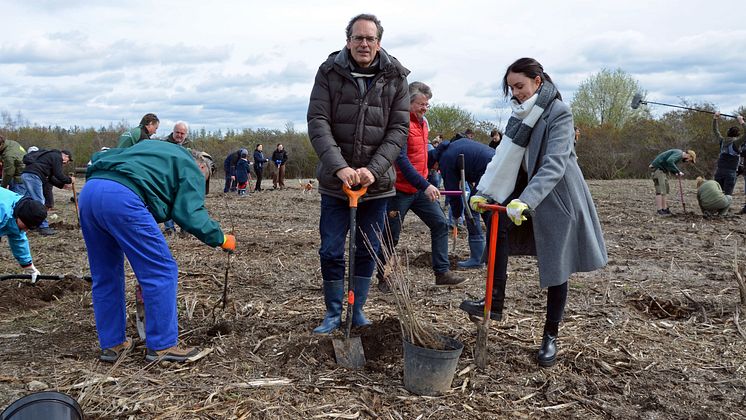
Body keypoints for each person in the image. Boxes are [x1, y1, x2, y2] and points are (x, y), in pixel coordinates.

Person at [466, 57, 607, 368]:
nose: (516, 93)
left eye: (520, 86)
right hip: (525, 190)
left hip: (558, 196)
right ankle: (494, 300)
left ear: (538, 82)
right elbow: (505, 157)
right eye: (511, 88)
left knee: (558, 264)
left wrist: (526, 200)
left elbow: (555, 163)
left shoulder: (559, 112)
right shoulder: (519, 115)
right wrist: (485, 193)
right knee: (497, 223)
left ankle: (550, 336)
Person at [79, 140, 236, 363]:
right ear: (203, 167)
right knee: (161, 271)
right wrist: (220, 238)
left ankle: (113, 345)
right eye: (204, 180)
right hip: (123, 197)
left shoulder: (154, 150)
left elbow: (101, 156)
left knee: (105, 275)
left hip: (91, 193)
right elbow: (190, 215)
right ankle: (162, 346)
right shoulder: (191, 165)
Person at [307, 13, 409, 334]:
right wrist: (340, 168)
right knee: (331, 248)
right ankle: (334, 311)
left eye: (370, 38)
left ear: (379, 42)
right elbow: (318, 122)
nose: (364, 44)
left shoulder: (396, 77)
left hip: (376, 186)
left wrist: (372, 170)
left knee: (367, 248)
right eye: (357, 38)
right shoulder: (329, 72)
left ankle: (358, 309)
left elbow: (398, 129)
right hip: (337, 185)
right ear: (348, 40)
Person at [377, 81, 465, 291]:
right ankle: (383, 277)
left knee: (440, 224)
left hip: (419, 189)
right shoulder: (400, 124)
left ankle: (441, 273)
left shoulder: (423, 123)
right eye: (421, 104)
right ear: (408, 102)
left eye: (427, 104)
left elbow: (421, 157)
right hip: (399, 190)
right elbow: (402, 161)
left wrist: (439, 153)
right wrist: (425, 185)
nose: (425, 108)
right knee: (392, 235)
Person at [431, 139, 495, 268]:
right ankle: (493, 252)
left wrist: (456, 213)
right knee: (487, 209)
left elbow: (452, 190)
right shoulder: (452, 147)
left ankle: (478, 258)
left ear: (434, 163)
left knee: (471, 207)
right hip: (495, 163)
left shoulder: (445, 159)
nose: (436, 171)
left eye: (434, 168)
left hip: (489, 169)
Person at [20, 148, 73, 235]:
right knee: (39, 202)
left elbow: (51, 177)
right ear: (66, 156)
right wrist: (70, 180)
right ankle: (43, 227)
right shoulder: (57, 156)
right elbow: (58, 174)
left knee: (27, 201)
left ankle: (28, 223)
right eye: (68, 161)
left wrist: (62, 185)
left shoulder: (49, 158)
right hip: (33, 176)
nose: (65, 163)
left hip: (27, 175)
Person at [0, 188, 46, 282]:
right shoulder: (3, 210)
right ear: (21, 216)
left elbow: (18, 240)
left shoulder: (18, 213)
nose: (26, 230)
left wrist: (29, 267)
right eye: (26, 226)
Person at [649, 149, 696, 216]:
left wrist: (675, 172)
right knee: (661, 191)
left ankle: (664, 209)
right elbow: (670, 161)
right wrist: (678, 171)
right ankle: (660, 210)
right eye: (690, 160)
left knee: (665, 190)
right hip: (658, 170)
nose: (688, 161)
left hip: (661, 171)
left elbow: (669, 165)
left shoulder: (678, 155)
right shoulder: (679, 154)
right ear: (689, 155)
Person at [163, 121, 191, 234]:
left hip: (180, 179)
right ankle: (169, 229)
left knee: (183, 204)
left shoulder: (186, 145)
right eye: (177, 132)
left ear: (186, 135)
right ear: (173, 132)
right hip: (166, 180)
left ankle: (185, 229)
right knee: (167, 204)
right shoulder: (164, 144)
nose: (179, 135)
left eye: (182, 133)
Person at [712, 112, 745, 196]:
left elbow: (715, 131)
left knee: (717, 194)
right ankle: (724, 208)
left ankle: (716, 207)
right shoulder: (737, 142)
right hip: (731, 173)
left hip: (719, 171)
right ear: (737, 135)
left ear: (728, 133)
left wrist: (715, 118)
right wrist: (742, 122)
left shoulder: (722, 141)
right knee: (727, 196)